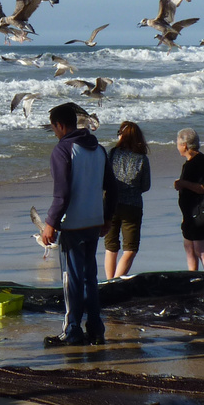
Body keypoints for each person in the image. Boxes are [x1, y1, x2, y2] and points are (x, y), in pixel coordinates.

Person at [39, 102, 114, 347]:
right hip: (94, 220)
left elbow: (62, 193)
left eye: (54, 128)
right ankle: (95, 328)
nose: (55, 133)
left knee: (71, 279)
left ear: (60, 125)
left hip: (73, 224)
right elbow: (112, 188)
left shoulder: (63, 150)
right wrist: (107, 218)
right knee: (90, 277)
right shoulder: (99, 149)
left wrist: (50, 222)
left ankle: (72, 330)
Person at [105, 121, 151, 280]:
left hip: (111, 203)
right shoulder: (142, 158)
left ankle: (109, 282)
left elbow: (105, 179)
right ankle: (115, 282)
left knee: (111, 247)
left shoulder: (112, 153)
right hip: (132, 206)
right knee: (130, 249)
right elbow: (145, 186)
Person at [173, 127, 204, 272]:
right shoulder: (189, 162)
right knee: (189, 248)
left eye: (178, 143)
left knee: (201, 249)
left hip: (200, 212)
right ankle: (193, 279)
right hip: (189, 214)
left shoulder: (200, 161)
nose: (177, 146)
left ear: (184, 145)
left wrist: (183, 184)